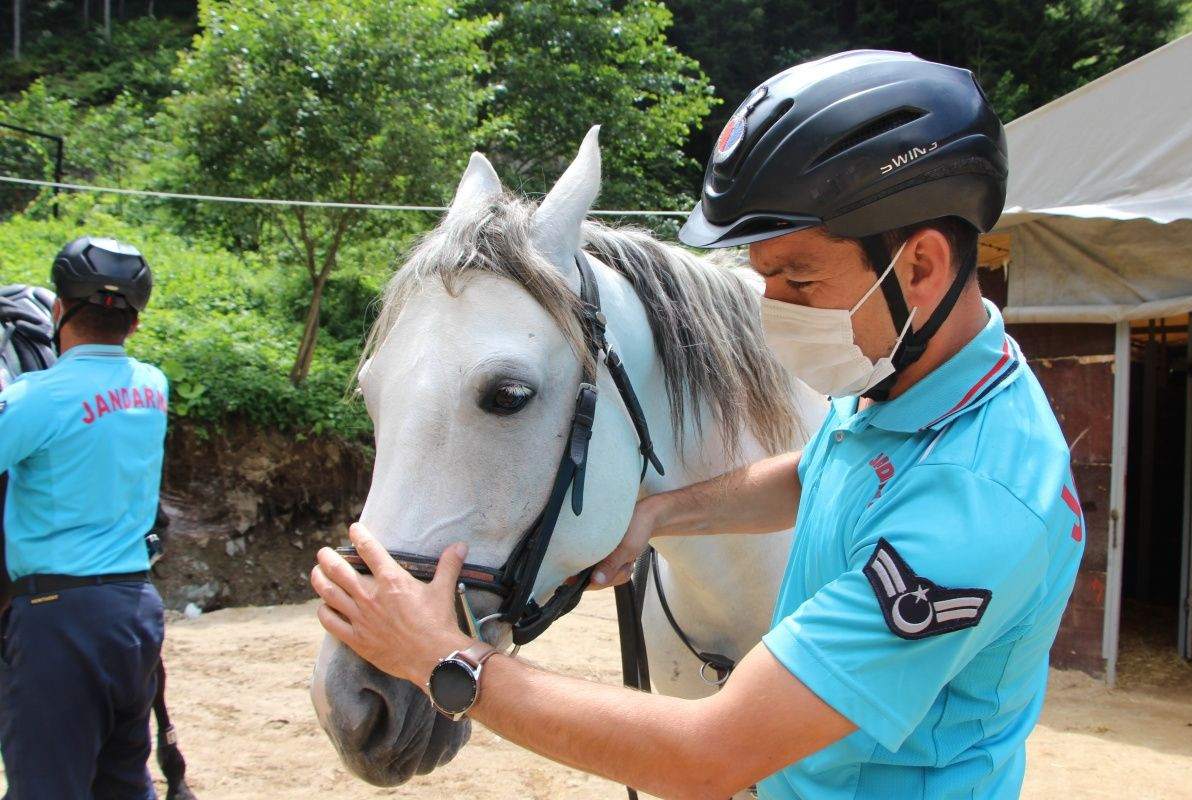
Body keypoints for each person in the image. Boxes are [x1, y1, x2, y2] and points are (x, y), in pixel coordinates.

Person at [312, 50, 1084, 798]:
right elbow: (824, 472)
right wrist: (661, 511)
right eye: (763, 276)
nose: (768, 307)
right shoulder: (911, 378)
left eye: (799, 278)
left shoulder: (979, 499)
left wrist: (448, 658)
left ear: (919, 266)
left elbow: (708, 758)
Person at [0, 236, 168, 799]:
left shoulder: (33, 400)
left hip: (56, 618)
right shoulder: (152, 388)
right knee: (123, 781)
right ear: (135, 323)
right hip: (134, 612)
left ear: (57, 310)